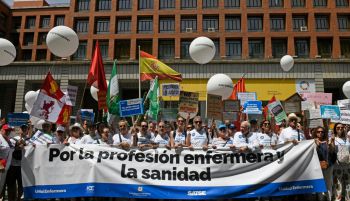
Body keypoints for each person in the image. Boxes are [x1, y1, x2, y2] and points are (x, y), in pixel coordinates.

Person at [313, 126, 336, 201]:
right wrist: (316, 145)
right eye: (318, 132)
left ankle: (329, 199)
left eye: (322, 132)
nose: (320, 133)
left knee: (328, 185)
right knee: (319, 184)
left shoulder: (328, 141)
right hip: (317, 167)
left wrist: (331, 143)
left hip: (328, 166)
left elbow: (332, 152)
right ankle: (321, 199)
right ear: (315, 133)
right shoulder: (313, 141)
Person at [332, 122, 350, 201]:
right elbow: (331, 151)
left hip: (347, 164)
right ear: (335, 129)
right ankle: (337, 199)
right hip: (337, 165)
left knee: (348, 184)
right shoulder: (333, 139)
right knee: (338, 184)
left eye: (342, 127)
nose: (340, 129)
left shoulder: (347, 139)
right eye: (338, 127)